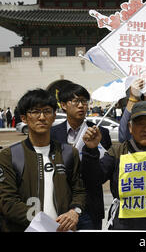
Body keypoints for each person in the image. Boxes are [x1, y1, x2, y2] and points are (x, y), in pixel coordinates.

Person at [0, 89, 86, 232]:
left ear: (54, 116)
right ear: (24, 118)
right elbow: (8, 202)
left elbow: (79, 191)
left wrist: (75, 212)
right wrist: (44, 222)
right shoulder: (10, 155)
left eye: (47, 111)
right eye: (35, 112)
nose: (42, 117)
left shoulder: (68, 152)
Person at [81, 101, 146, 230]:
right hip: (124, 225)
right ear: (130, 127)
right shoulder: (118, 152)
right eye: (140, 124)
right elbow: (94, 179)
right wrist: (91, 151)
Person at [51, 82, 111, 230]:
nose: (81, 106)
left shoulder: (100, 133)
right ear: (64, 105)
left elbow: (102, 174)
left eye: (84, 101)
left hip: (90, 208)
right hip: (60, 207)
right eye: (76, 101)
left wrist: (91, 151)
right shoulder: (52, 134)